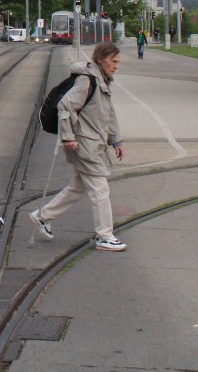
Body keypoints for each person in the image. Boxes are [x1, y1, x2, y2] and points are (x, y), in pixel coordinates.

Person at [30, 42, 128, 252]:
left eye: (118, 62)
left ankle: (42, 216)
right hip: (84, 145)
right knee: (100, 189)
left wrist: (116, 140)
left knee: (77, 187)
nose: (116, 66)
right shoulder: (87, 80)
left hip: (93, 143)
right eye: (113, 61)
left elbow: (108, 113)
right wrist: (67, 137)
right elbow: (65, 106)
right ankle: (105, 236)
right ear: (101, 59)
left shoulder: (102, 80)